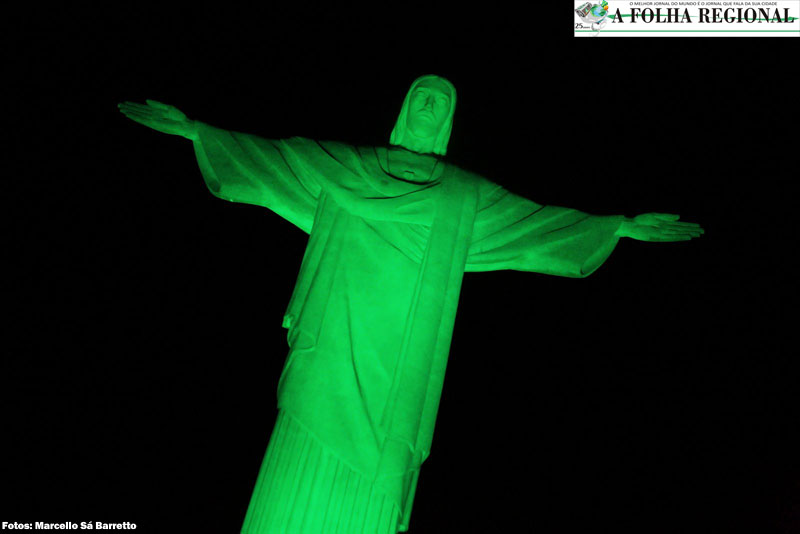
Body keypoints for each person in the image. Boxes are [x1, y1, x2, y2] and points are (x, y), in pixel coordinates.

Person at [118, 75, 703, 533]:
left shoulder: (464, 196)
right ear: (403, 109)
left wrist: (617, 226)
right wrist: (195, 130)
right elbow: (274, 160)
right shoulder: (347, 166)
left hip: (401, 364)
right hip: (333, 347)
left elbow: (534, 225)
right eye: (421, 95)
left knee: (376, 477)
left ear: (447, 123)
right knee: (299, 453)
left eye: (439, 102)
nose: (428, 104)